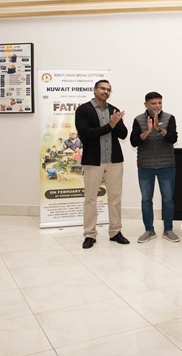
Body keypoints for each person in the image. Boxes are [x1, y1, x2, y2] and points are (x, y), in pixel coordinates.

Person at [75, 79, 129, 249]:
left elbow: (123, 134)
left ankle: (115, 232)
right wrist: (109, 125)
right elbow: (86, 134)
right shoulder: (83, 110)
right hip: (93, 161)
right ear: (94, 90)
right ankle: (89, 234)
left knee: (115, 198)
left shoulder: (114, 110)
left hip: (114, 161)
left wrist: (116, 123)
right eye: (102, 89)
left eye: (109, 90)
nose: (106, 92)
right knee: (91, 199)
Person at [130, 92, 180, 244]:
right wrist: (147, 131)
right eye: (153, 103)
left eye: (159, 103)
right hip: (145, 166)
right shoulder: (138, 119)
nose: (157, 106)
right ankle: (149, 230)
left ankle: (168, 230)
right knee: (146, 200)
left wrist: (158, 129)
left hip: (167, 165)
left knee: (168, 199)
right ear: (146, 104)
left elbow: (173, 138)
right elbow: (134, 142)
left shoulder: (169, 118)